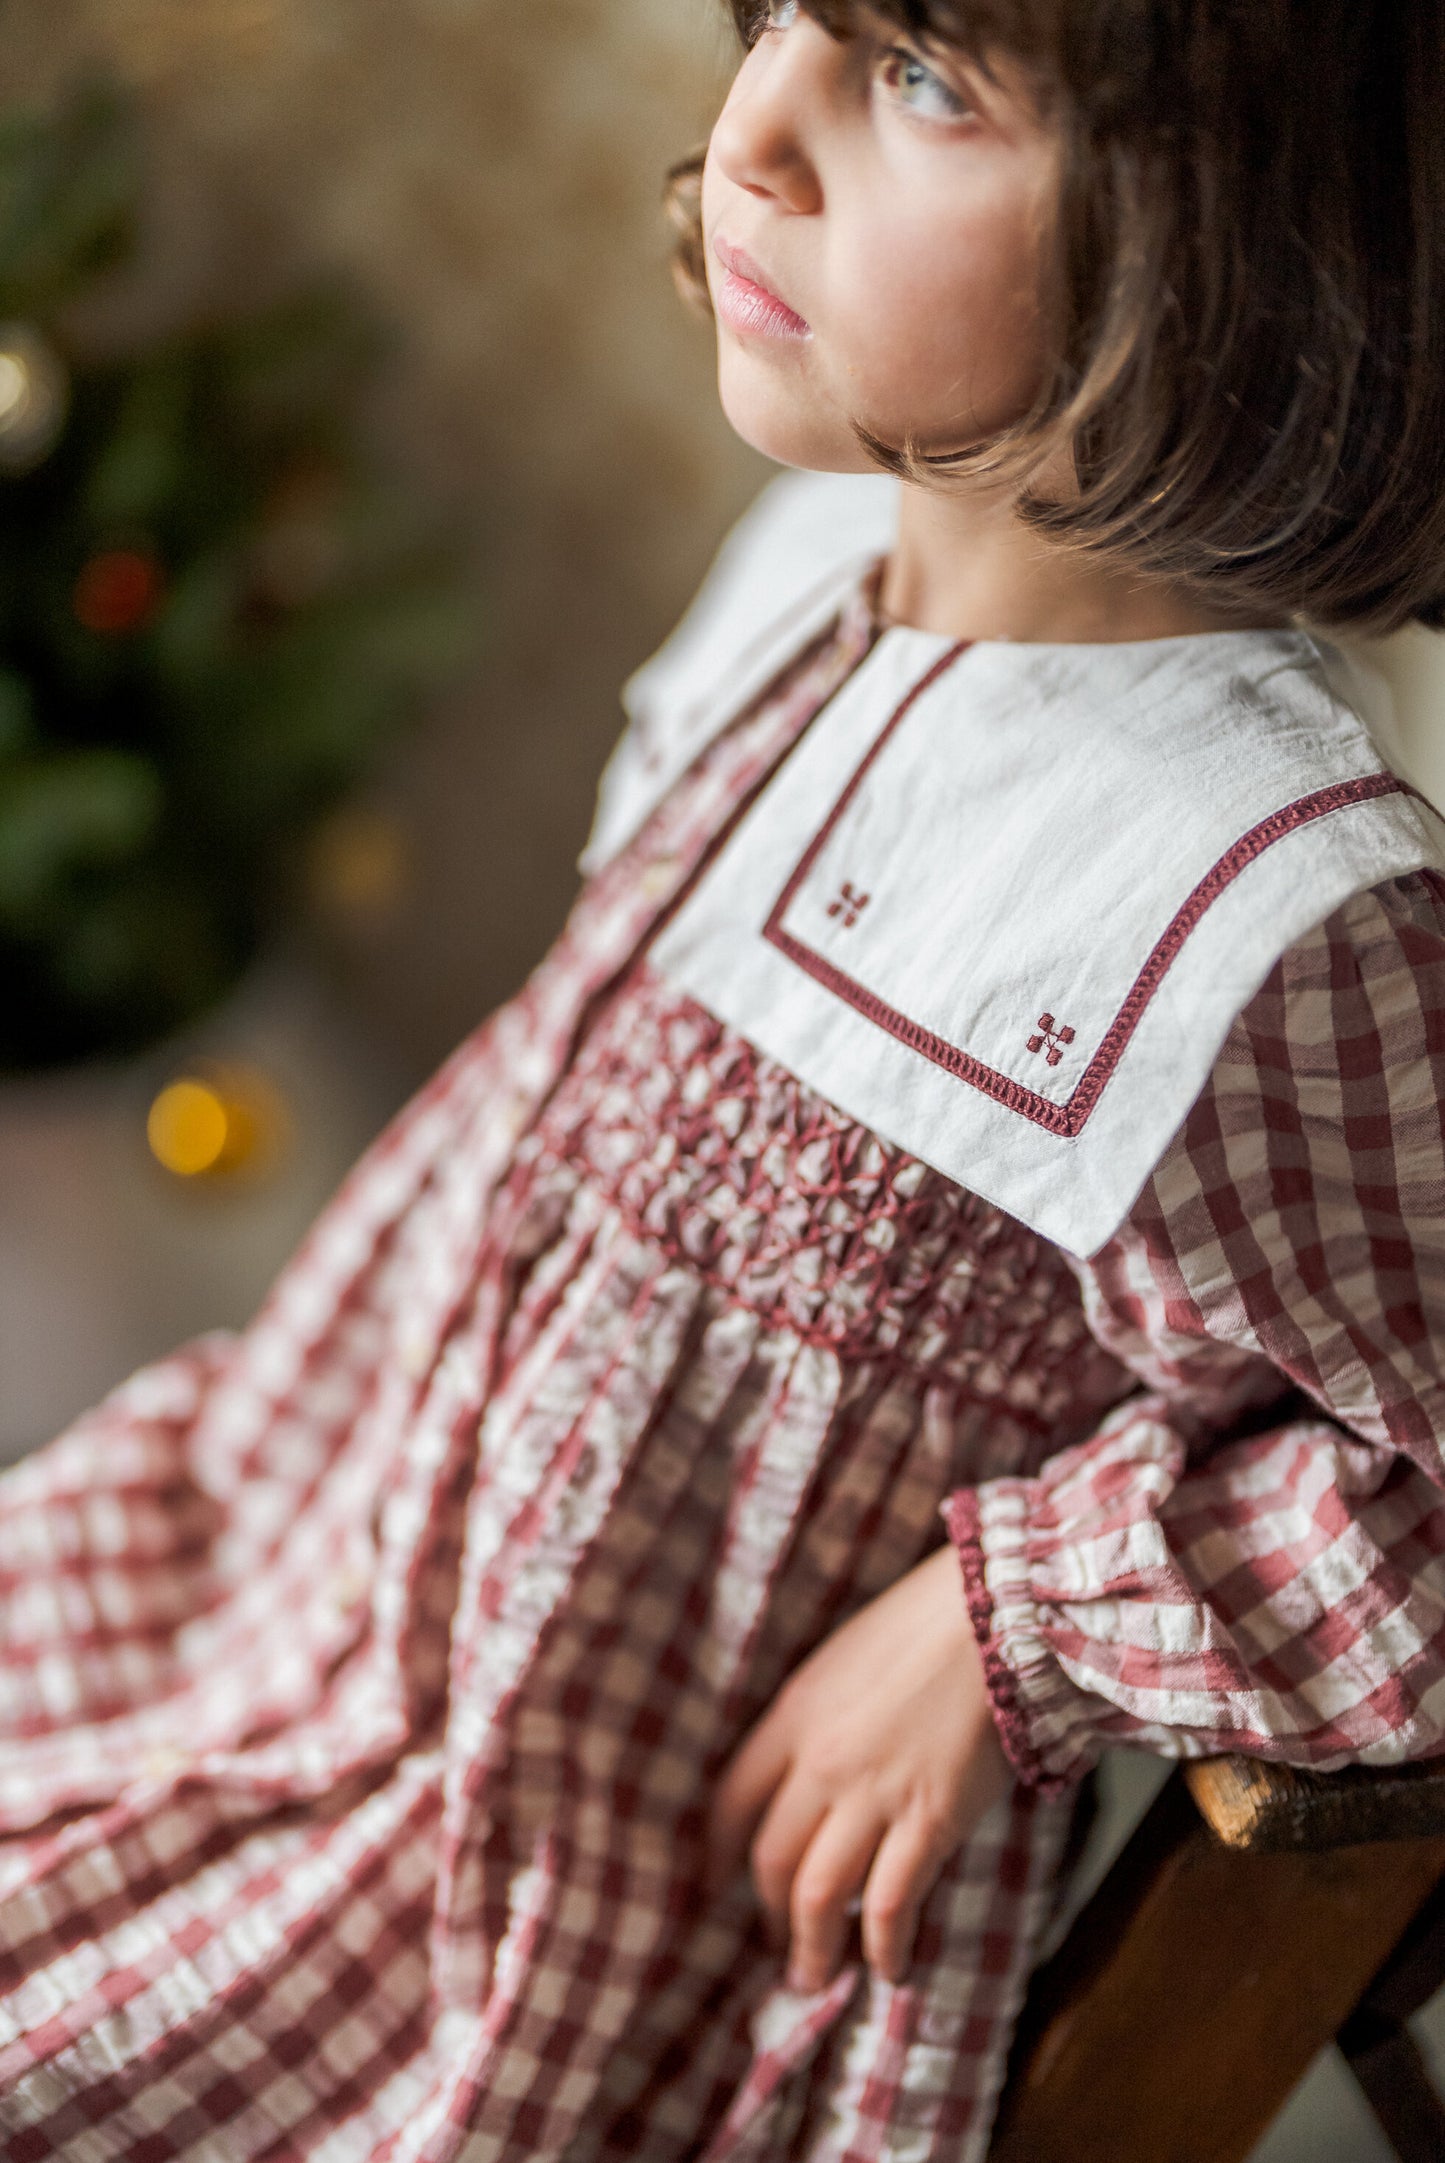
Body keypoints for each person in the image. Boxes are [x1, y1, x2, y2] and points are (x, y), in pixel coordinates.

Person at [2, 1, 1444, 2156]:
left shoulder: (1268, 907)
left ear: (1250, 243)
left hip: (538, 1897)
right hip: (290, 1566)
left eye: (923, 77)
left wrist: (1004, 1619)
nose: (755, 129)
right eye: (786, 20)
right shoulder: (822, 547)